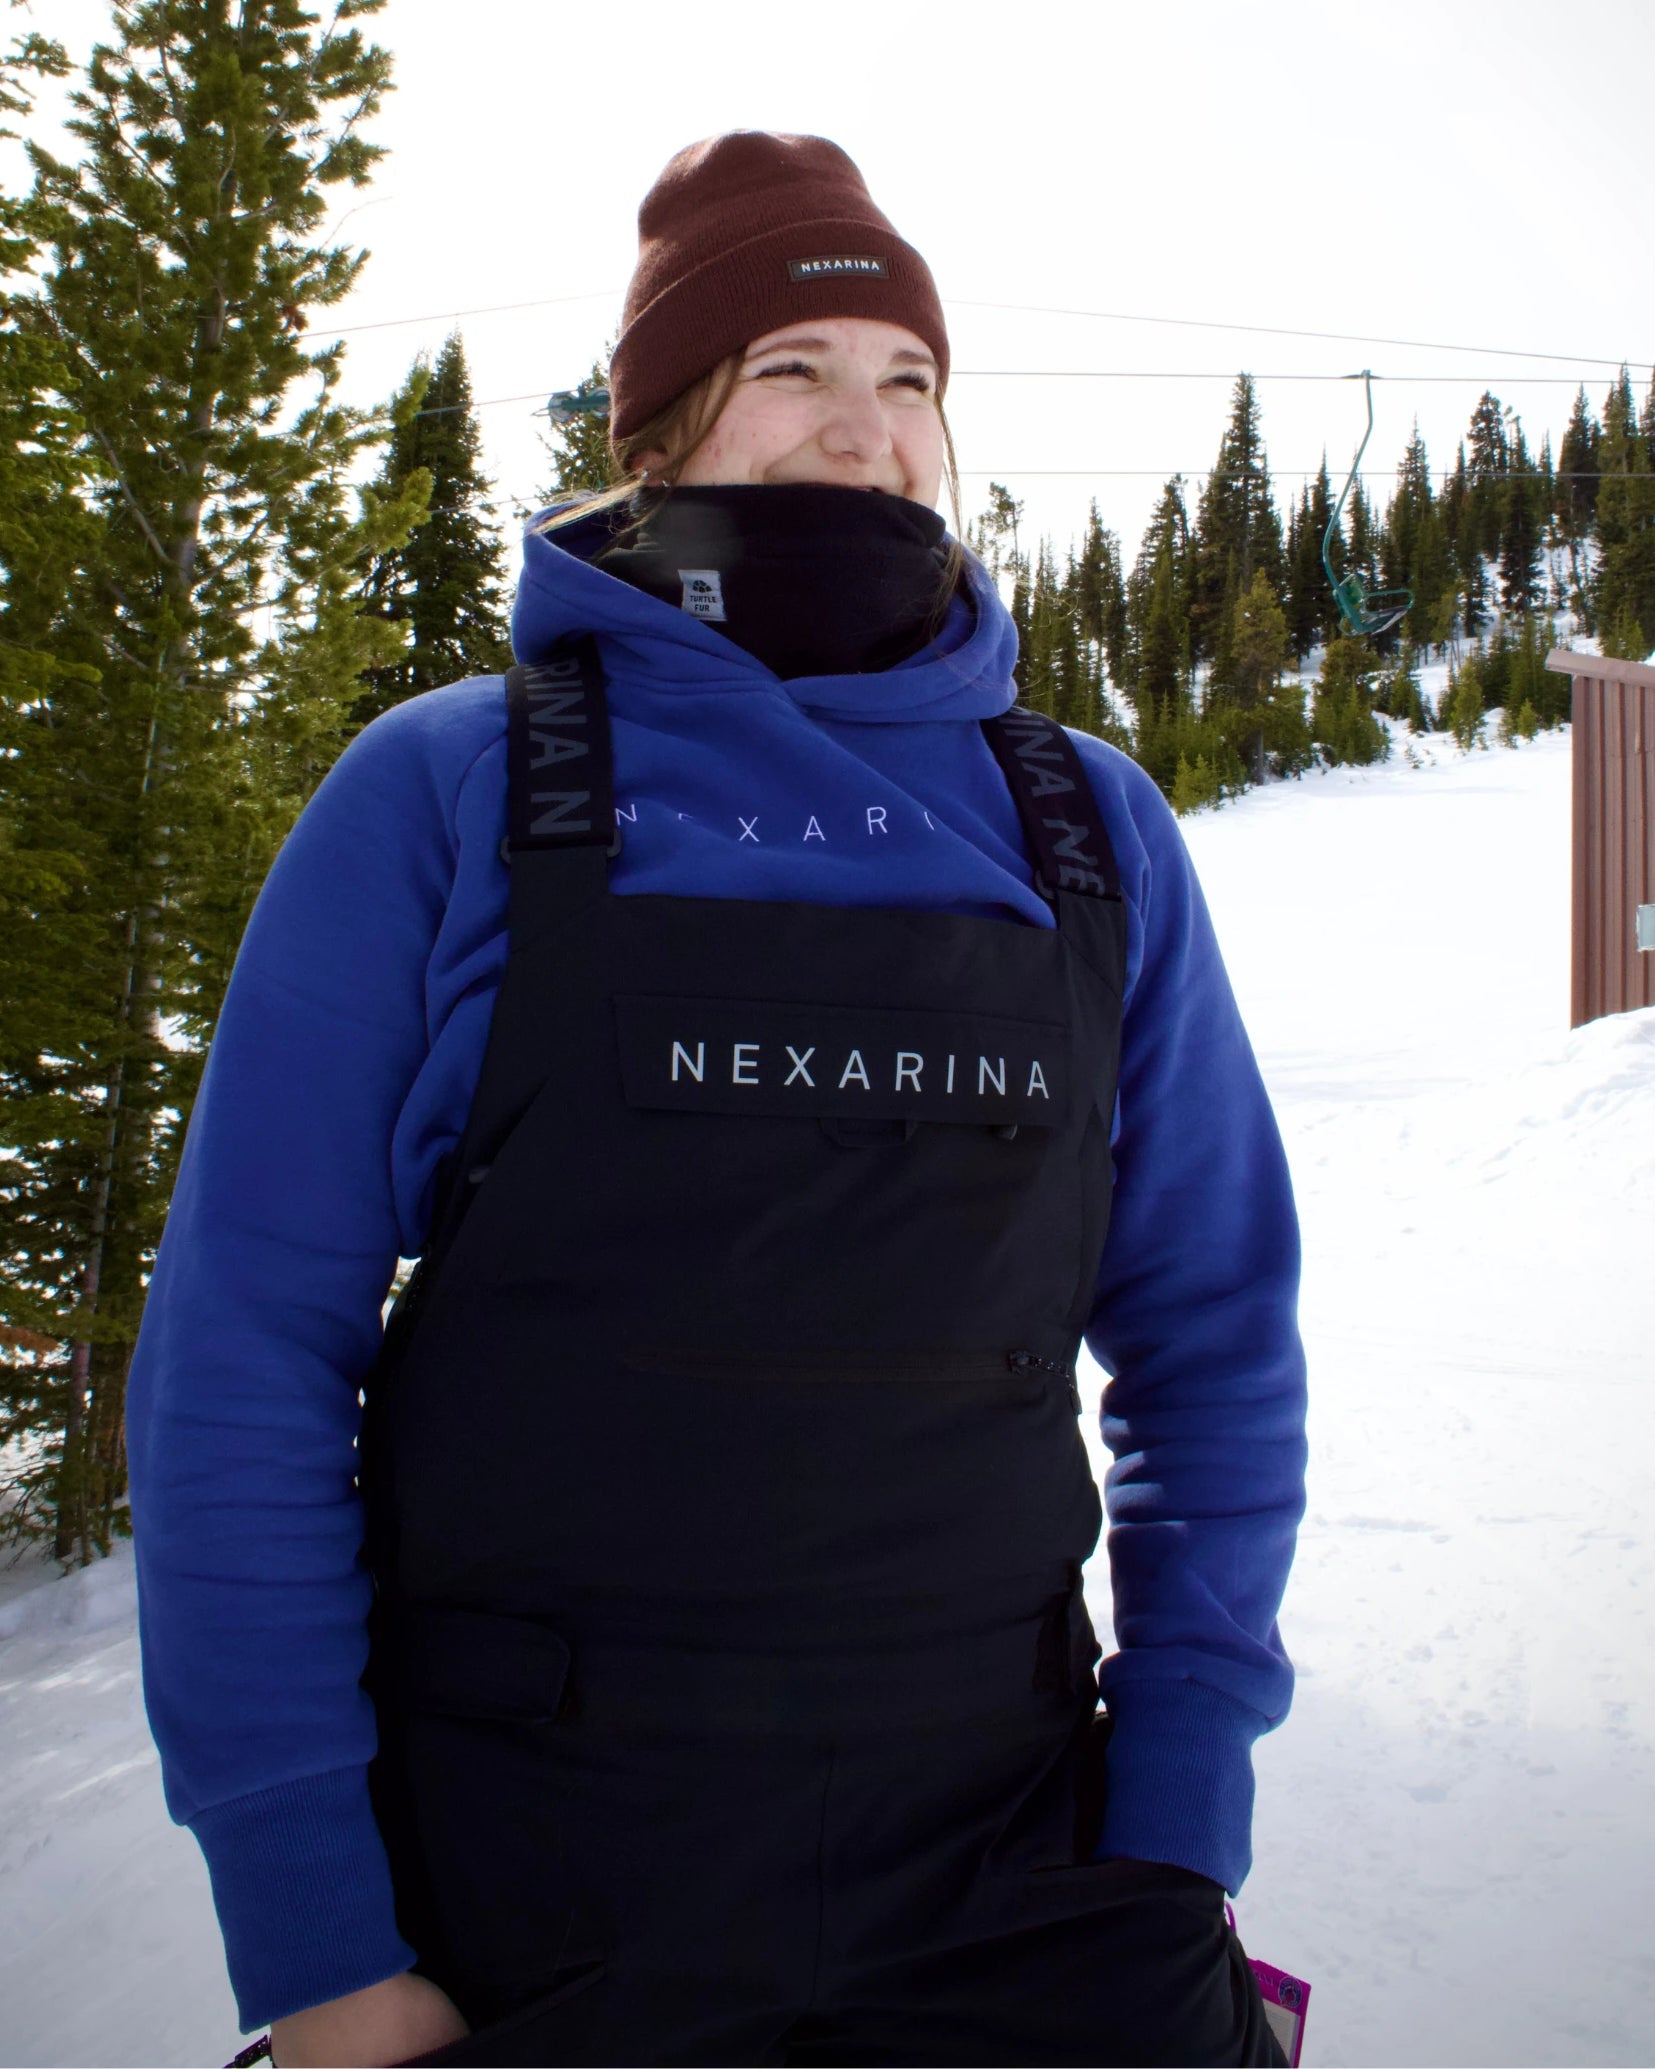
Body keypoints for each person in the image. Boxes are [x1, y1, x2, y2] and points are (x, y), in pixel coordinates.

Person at [127, 132, 1308, 2068]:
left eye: (908, 381)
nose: (867, 433)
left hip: (1022, 1865)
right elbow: (243, 1363)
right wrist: (317, 1945)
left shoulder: (1087, 823)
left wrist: (1181, 1816)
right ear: (661, 430)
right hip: (539, 1879)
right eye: (795, 372)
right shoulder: (447, 793)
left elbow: (1216, 1341)